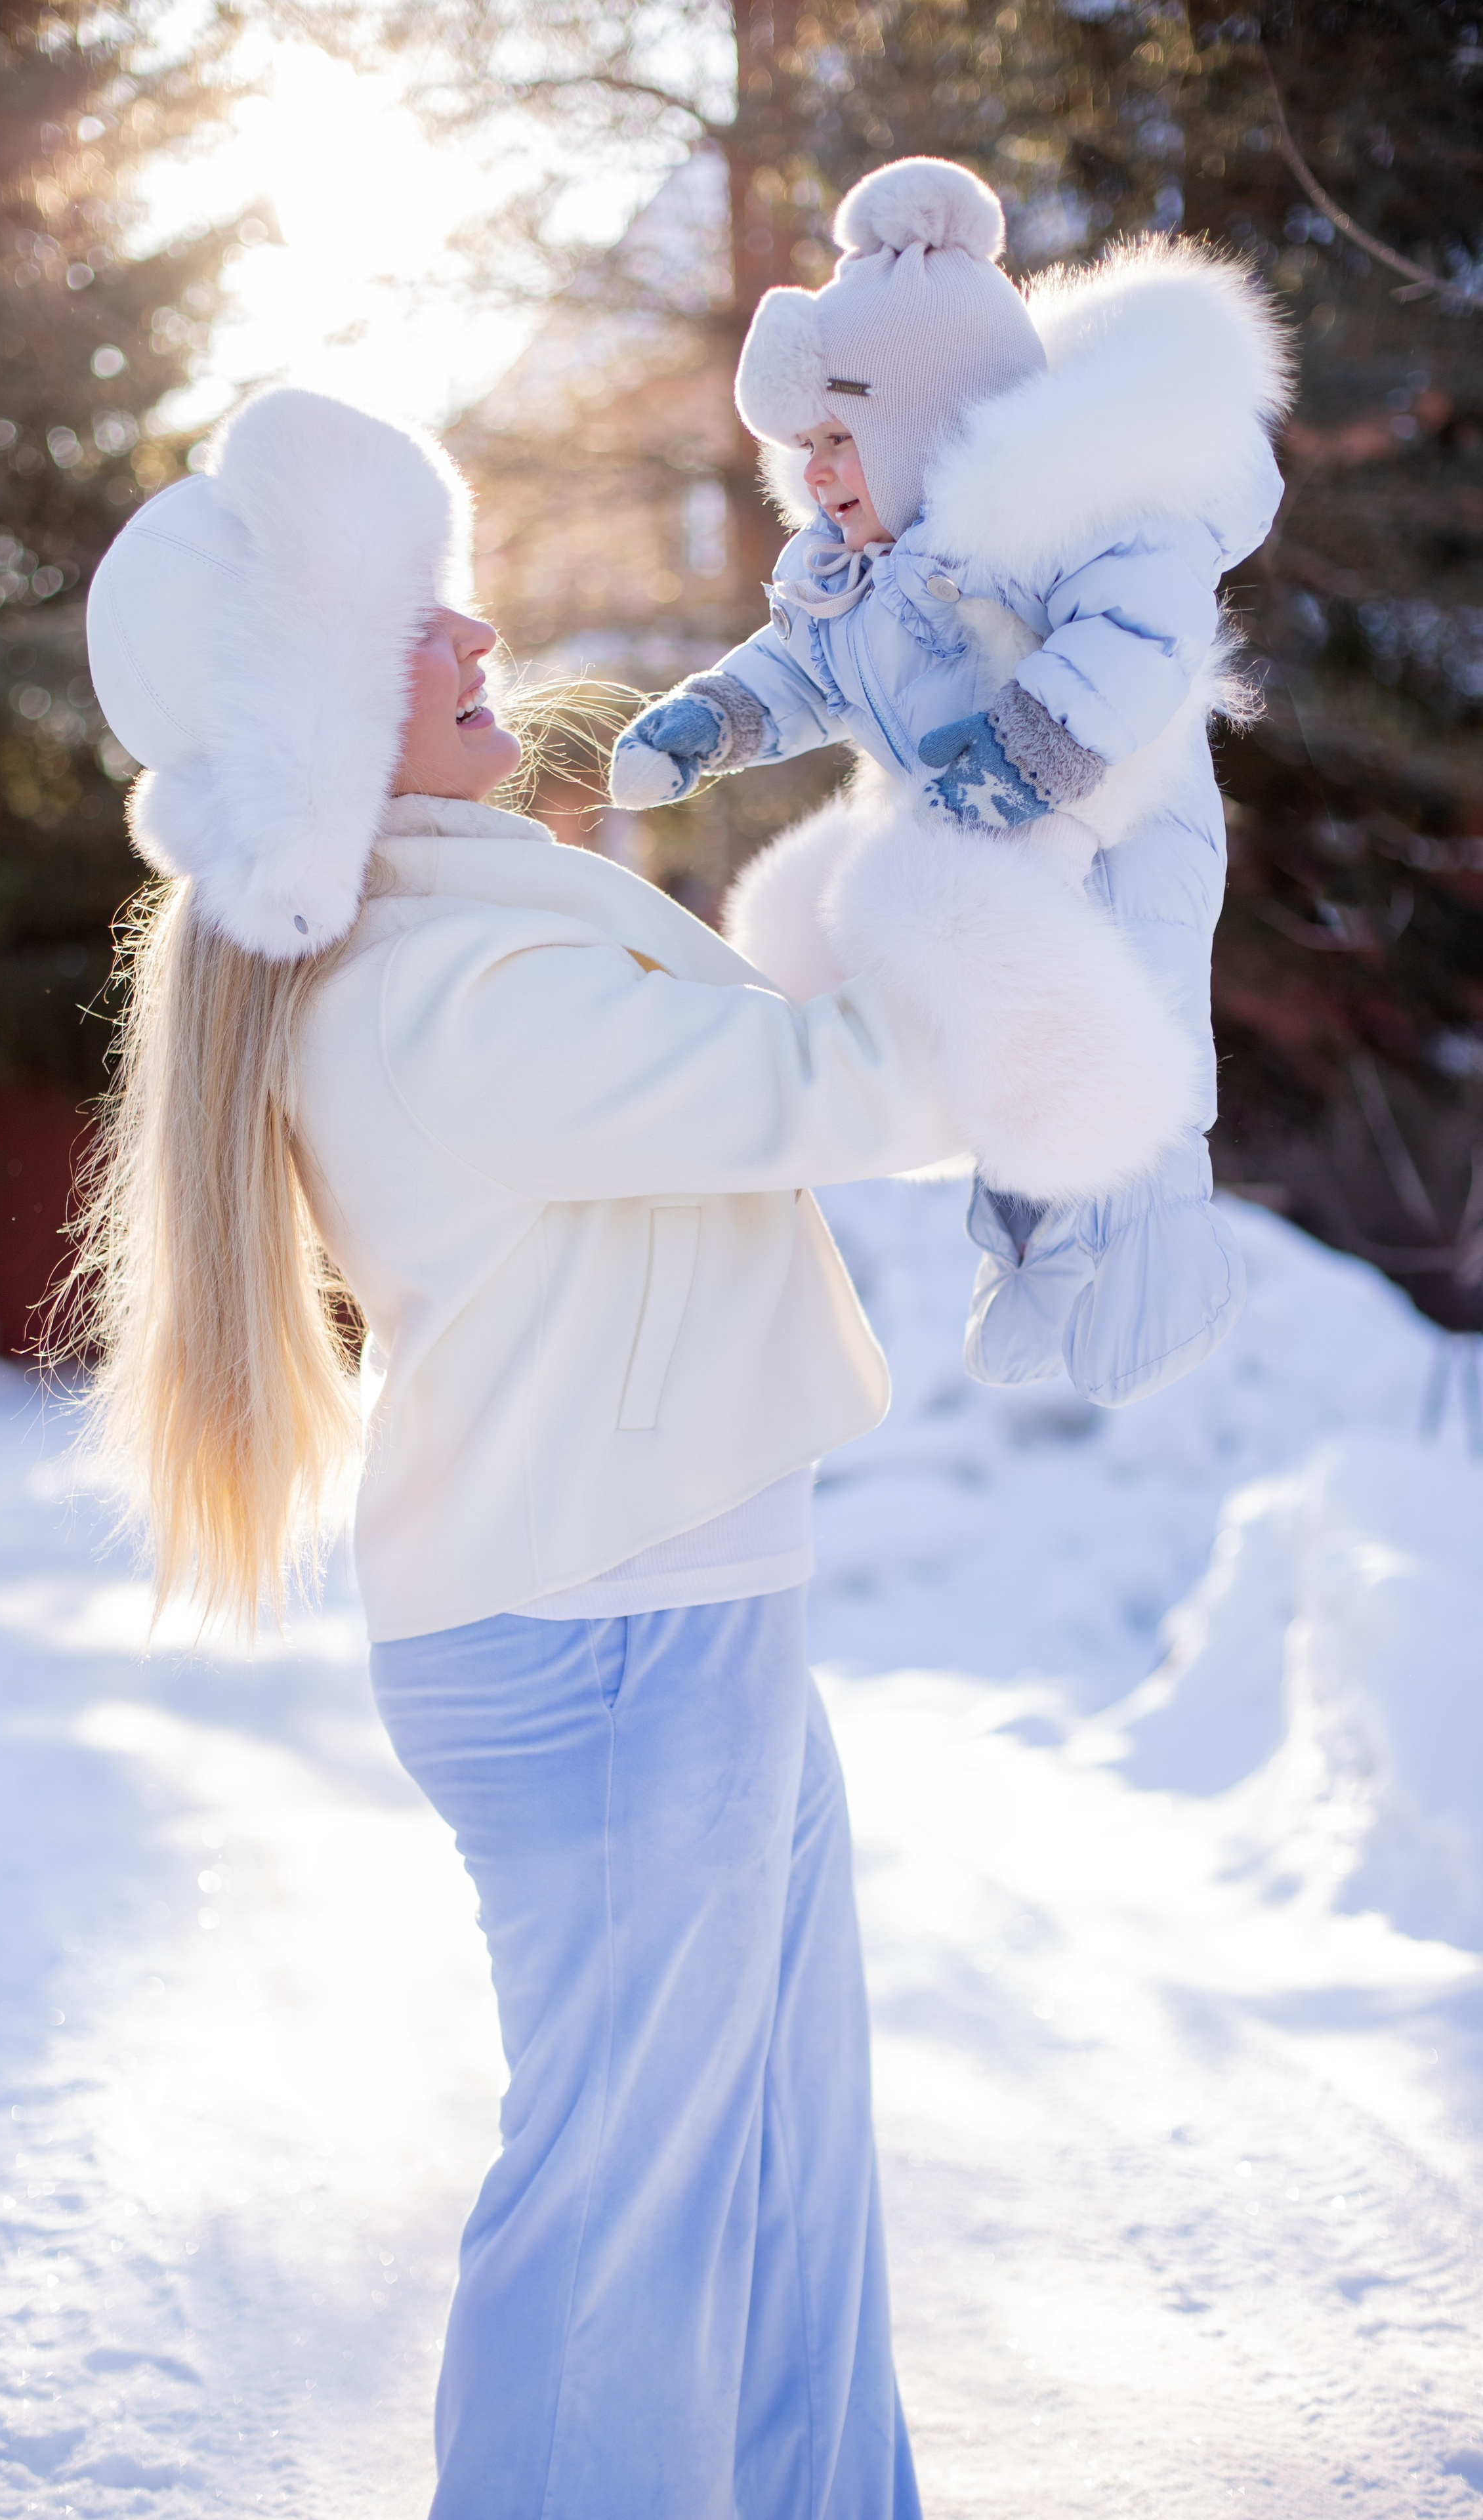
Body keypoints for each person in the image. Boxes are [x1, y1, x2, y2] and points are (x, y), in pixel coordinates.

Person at [75, 381, 1192, 2518]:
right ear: (316, 718)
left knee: (777, 2178)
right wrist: (1018, 807)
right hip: (612, 1646)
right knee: (630, 2220)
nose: (476, 634)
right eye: (412, 621)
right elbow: (829, 1088)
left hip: (662, 1618)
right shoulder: (440, 994)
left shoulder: (462, 932)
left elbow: (770, 1066)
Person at [610, 154, 1293, 1410]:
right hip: (987, 833)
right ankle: (1030, 1252)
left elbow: (1139, 629)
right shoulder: (853, 576)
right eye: (806, 446)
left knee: (1131, 1023)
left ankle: (1160, 1246)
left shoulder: (1068, 511)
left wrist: (1036, 747)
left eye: (838, 437)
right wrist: (711, 721)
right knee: (1005, 1029)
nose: (816, 473)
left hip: (1124, 822)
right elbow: (799, 666)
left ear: (925, 413)